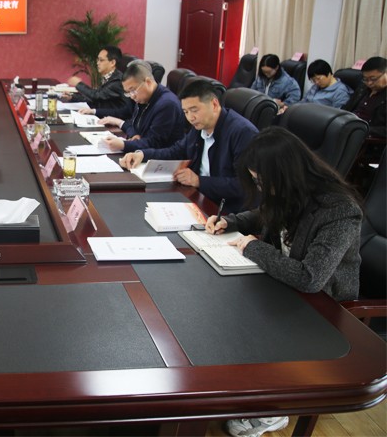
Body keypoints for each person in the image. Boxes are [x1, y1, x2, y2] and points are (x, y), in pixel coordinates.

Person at [206, 127, 362, 437]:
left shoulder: (340, 211)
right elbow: (263, 215)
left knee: (244, 319)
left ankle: (274, 407)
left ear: (286, 173)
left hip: (322, 305)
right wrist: (231, 221)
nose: (262, 188)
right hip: (281, 284)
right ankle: (238, 385)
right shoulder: (291, 191)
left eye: (264, 181)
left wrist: (253, 248)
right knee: (220, 305)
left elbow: (310, 278)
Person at [120, 79, 258, 213]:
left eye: (194, 110)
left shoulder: (242, 133)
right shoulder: (200, 127)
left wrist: (199, 181)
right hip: (197, 196)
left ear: (214, 104)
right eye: (186, 112)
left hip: (225, 210)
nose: (190, 117)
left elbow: (245, 185)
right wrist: (142, 154)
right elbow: (176, 151)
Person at [80, 60, 182, 152]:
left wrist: (123, 145)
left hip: (161, 161)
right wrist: (134, 134)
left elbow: (154, 143)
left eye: (132, 90)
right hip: (143, 153)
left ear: (148, 82)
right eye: (128, 92)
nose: (132, 96)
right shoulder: (144, 98)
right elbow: (133, 125)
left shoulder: (167, 104)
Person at [60, 45, 130, 114]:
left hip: (114, 118)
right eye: (97, 60)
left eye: (101, 60)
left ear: (112, 63)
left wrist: (78, 84)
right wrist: (72, 97)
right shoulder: (108, 77)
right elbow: (95, 99)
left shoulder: (117, 80)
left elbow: (96, 96)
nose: (97, 63)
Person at [344, 56, 386, 138]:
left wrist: (362, 129)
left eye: (373, 79)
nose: (369, 83)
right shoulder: (363, 88)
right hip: (348, 129)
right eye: (366, 79)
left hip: (366, 138)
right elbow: (346, 108)